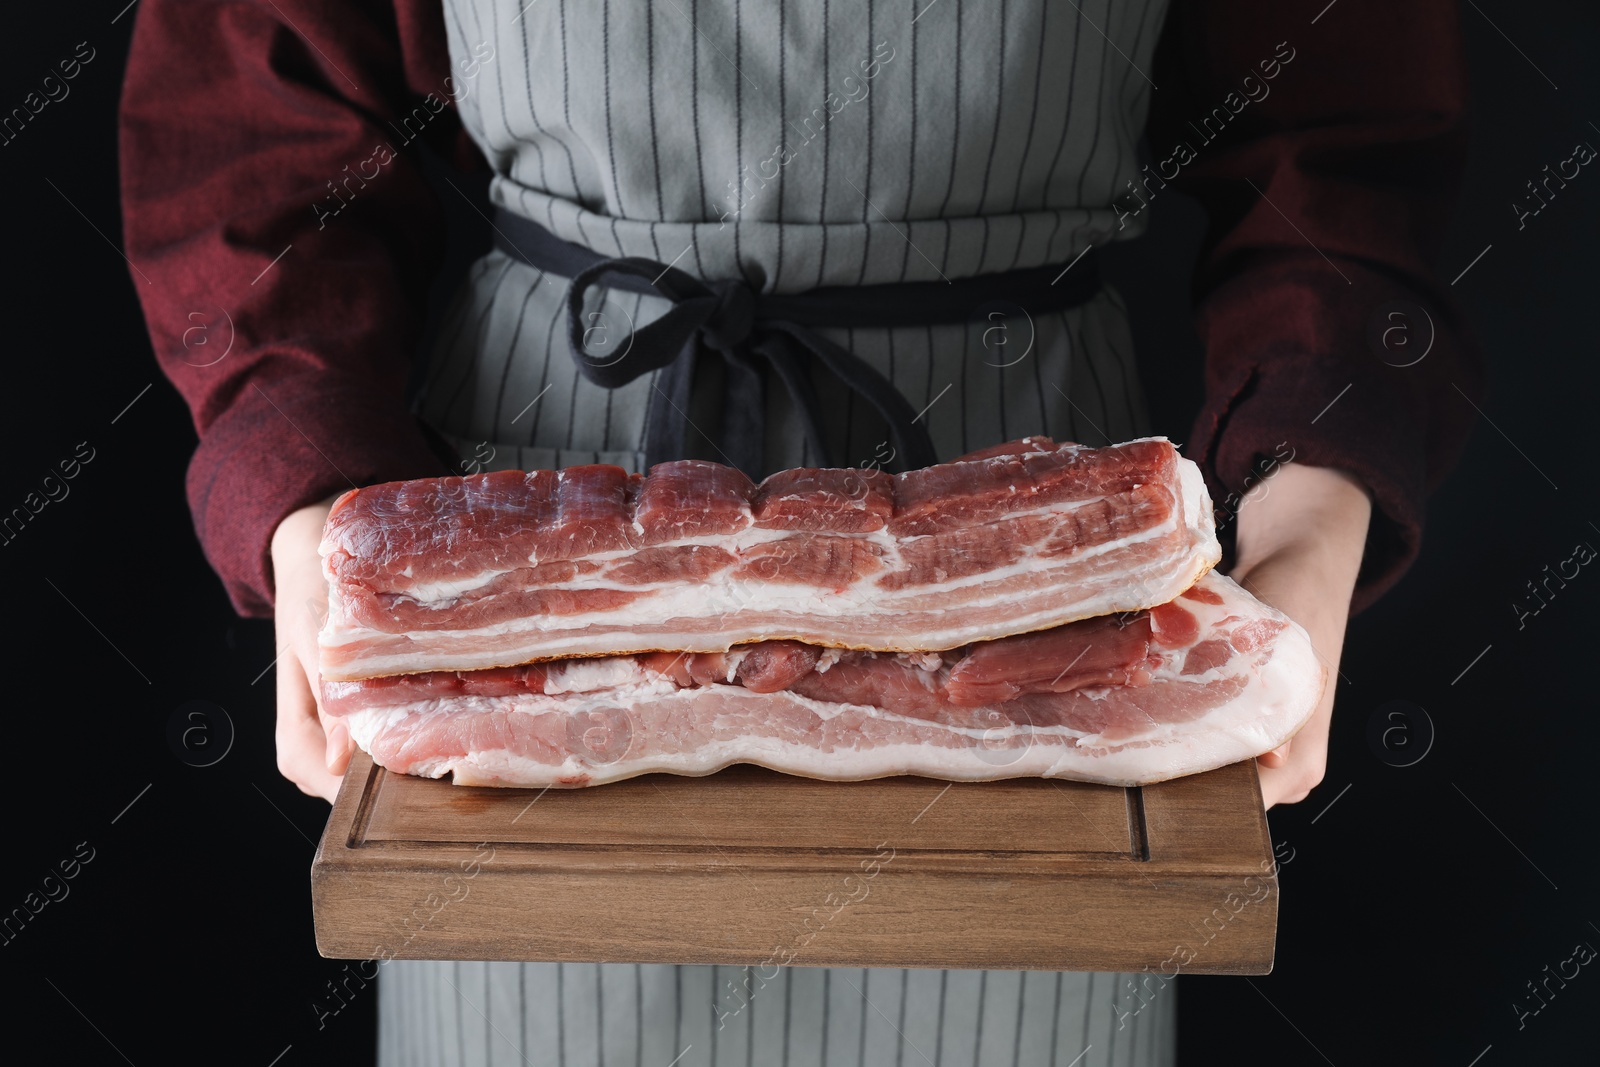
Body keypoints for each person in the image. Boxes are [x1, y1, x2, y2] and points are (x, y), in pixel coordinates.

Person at [121, 1, 1482, 1064]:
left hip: (1036, 563)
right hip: (539, 578)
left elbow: (1340, 132)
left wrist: (1307, 516)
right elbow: (254, 117)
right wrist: (305, 502)